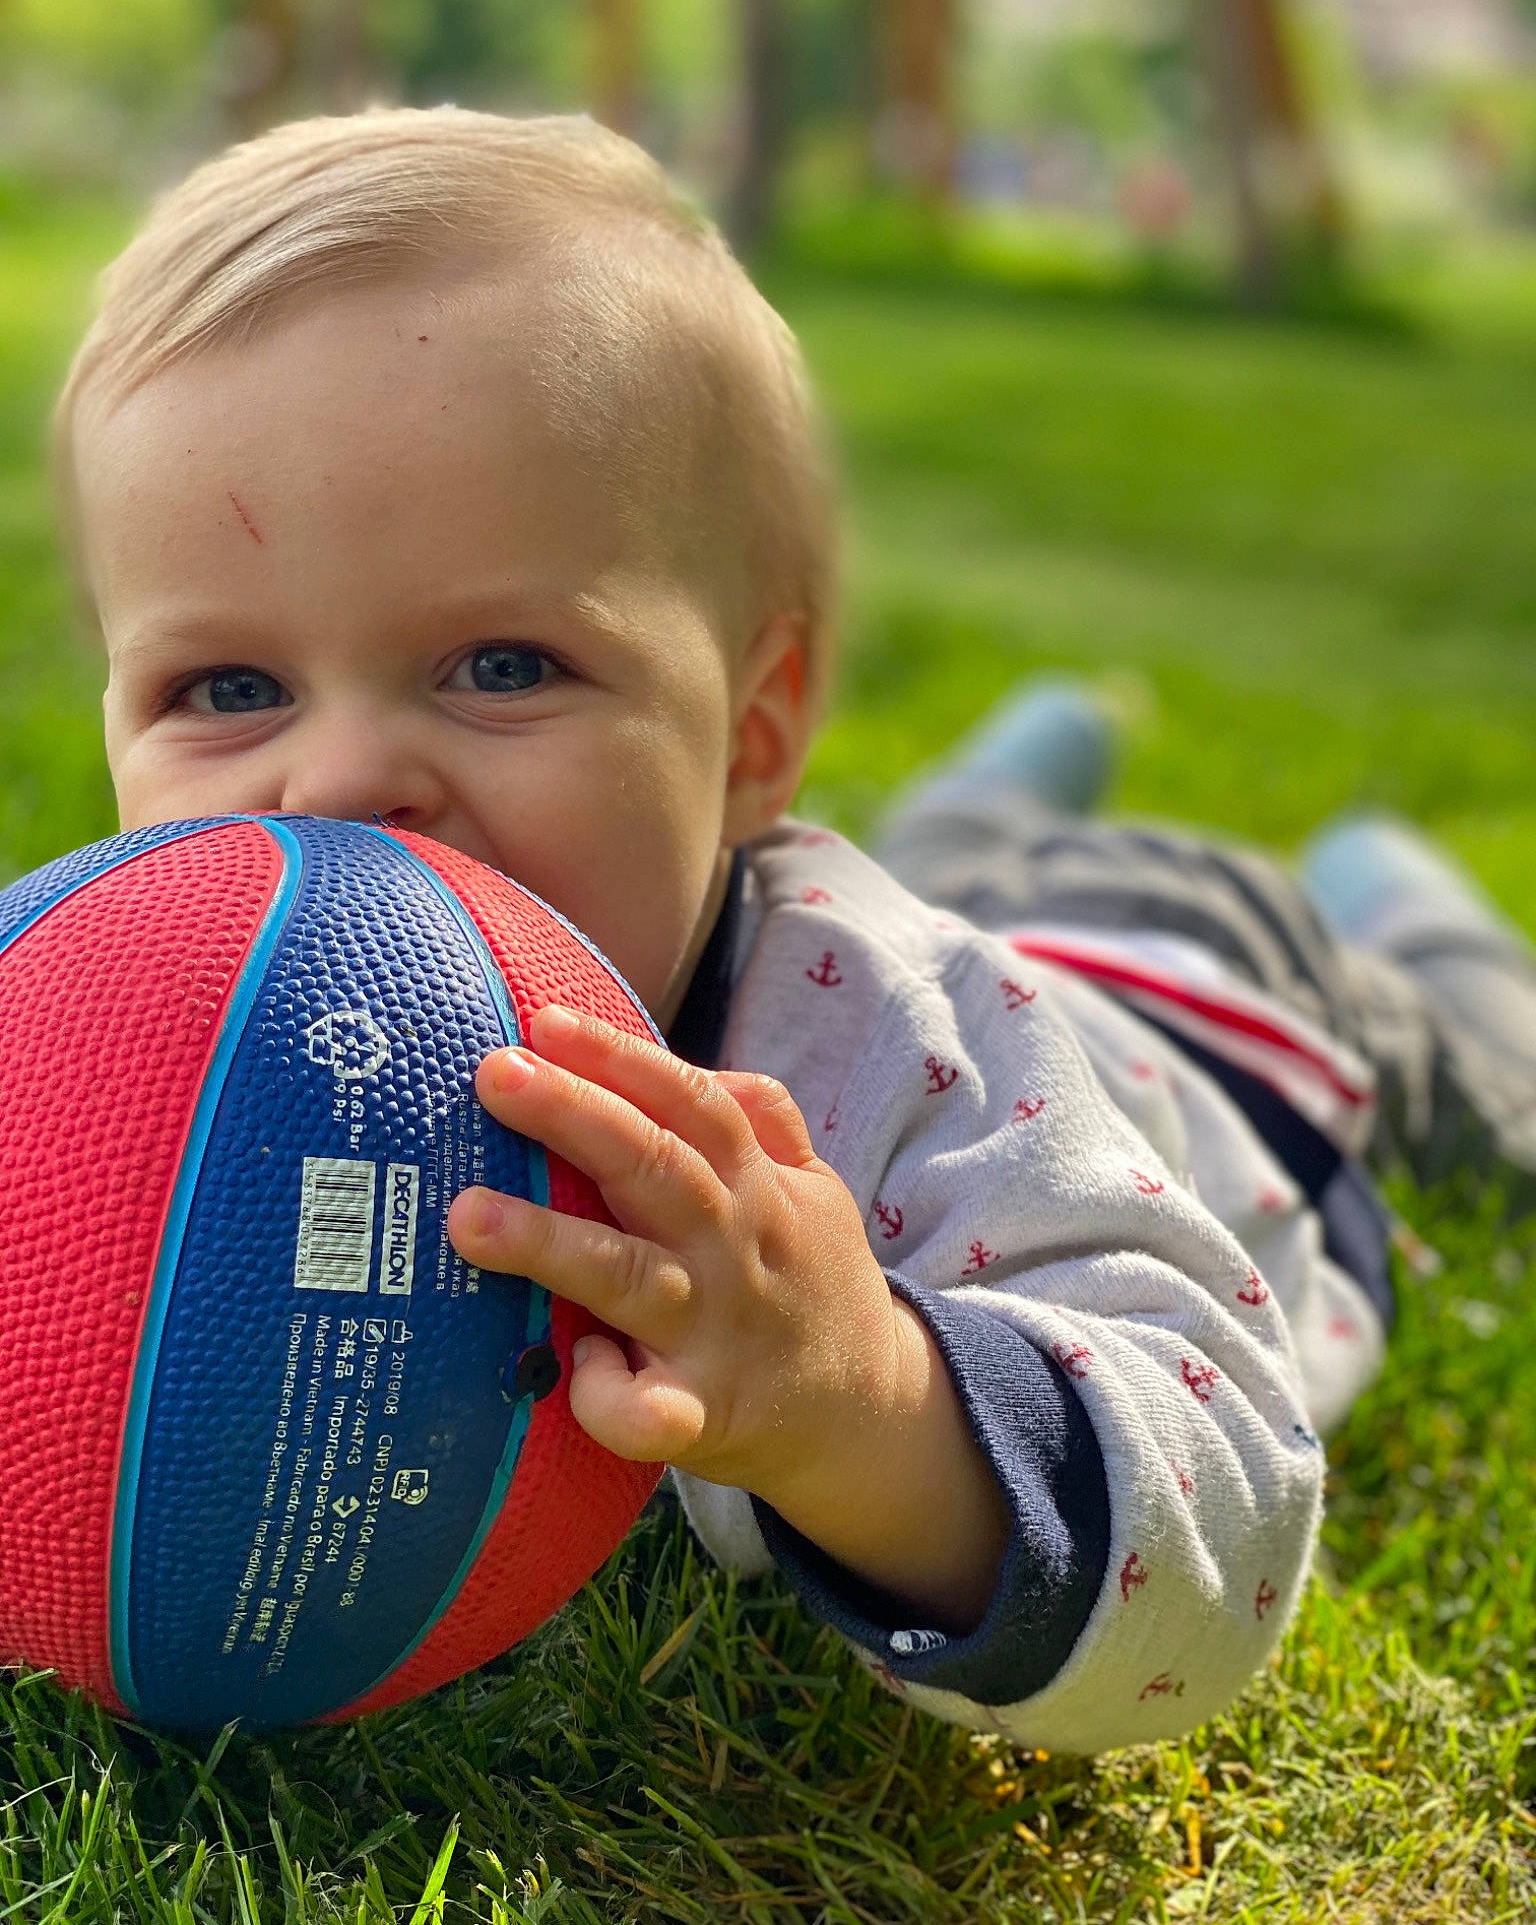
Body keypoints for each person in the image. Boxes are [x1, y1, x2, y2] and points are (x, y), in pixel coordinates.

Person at [48, 107, 1535, 1757]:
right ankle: (1032, 752)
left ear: (752, 733)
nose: (333, 786)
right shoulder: (128, 1042)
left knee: (1484, 1075)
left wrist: (863, 1398)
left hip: (1207, 1008)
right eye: (227, 690)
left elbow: (1227, 1539)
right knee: (959, 846)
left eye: (501, 667)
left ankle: (1394, 887)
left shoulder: (890, 1060)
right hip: (949, 890)